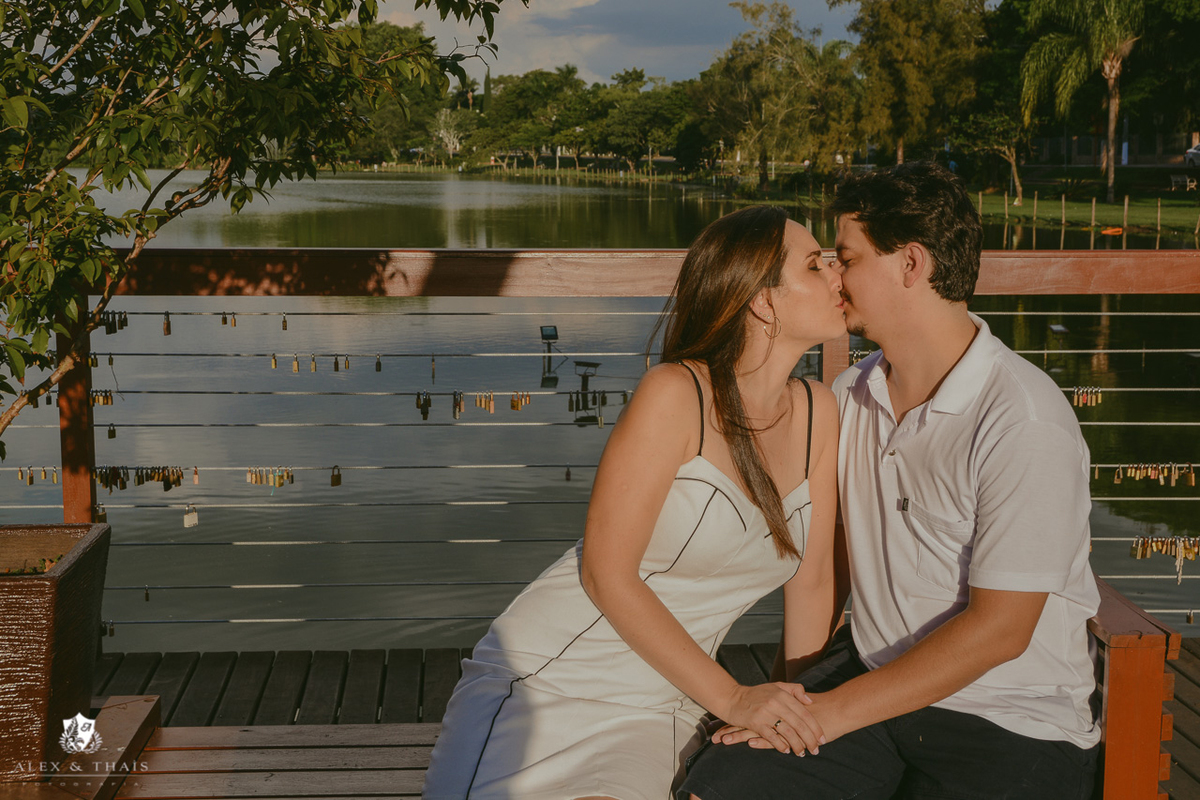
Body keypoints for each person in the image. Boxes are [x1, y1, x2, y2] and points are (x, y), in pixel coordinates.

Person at [682, 162, 1101, 800]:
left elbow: (1000, 631)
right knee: (723, 785)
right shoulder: (850, 397)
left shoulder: (1022, 418)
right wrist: (788, 695)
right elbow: (830, 568)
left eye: (845, 257)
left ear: (910, 264)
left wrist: (825, 714)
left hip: (1009, 718)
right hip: (871, 690)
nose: (832, 276)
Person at [422, 205, 848, 799]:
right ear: (762, 300)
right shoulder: (676, 395)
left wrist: (793, 719)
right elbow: (605, 574)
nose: (837, 273)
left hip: (663, 703)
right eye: (814, 263)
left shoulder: (818, 412)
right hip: (549, 681)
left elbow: (814, 582)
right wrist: (734, 698)